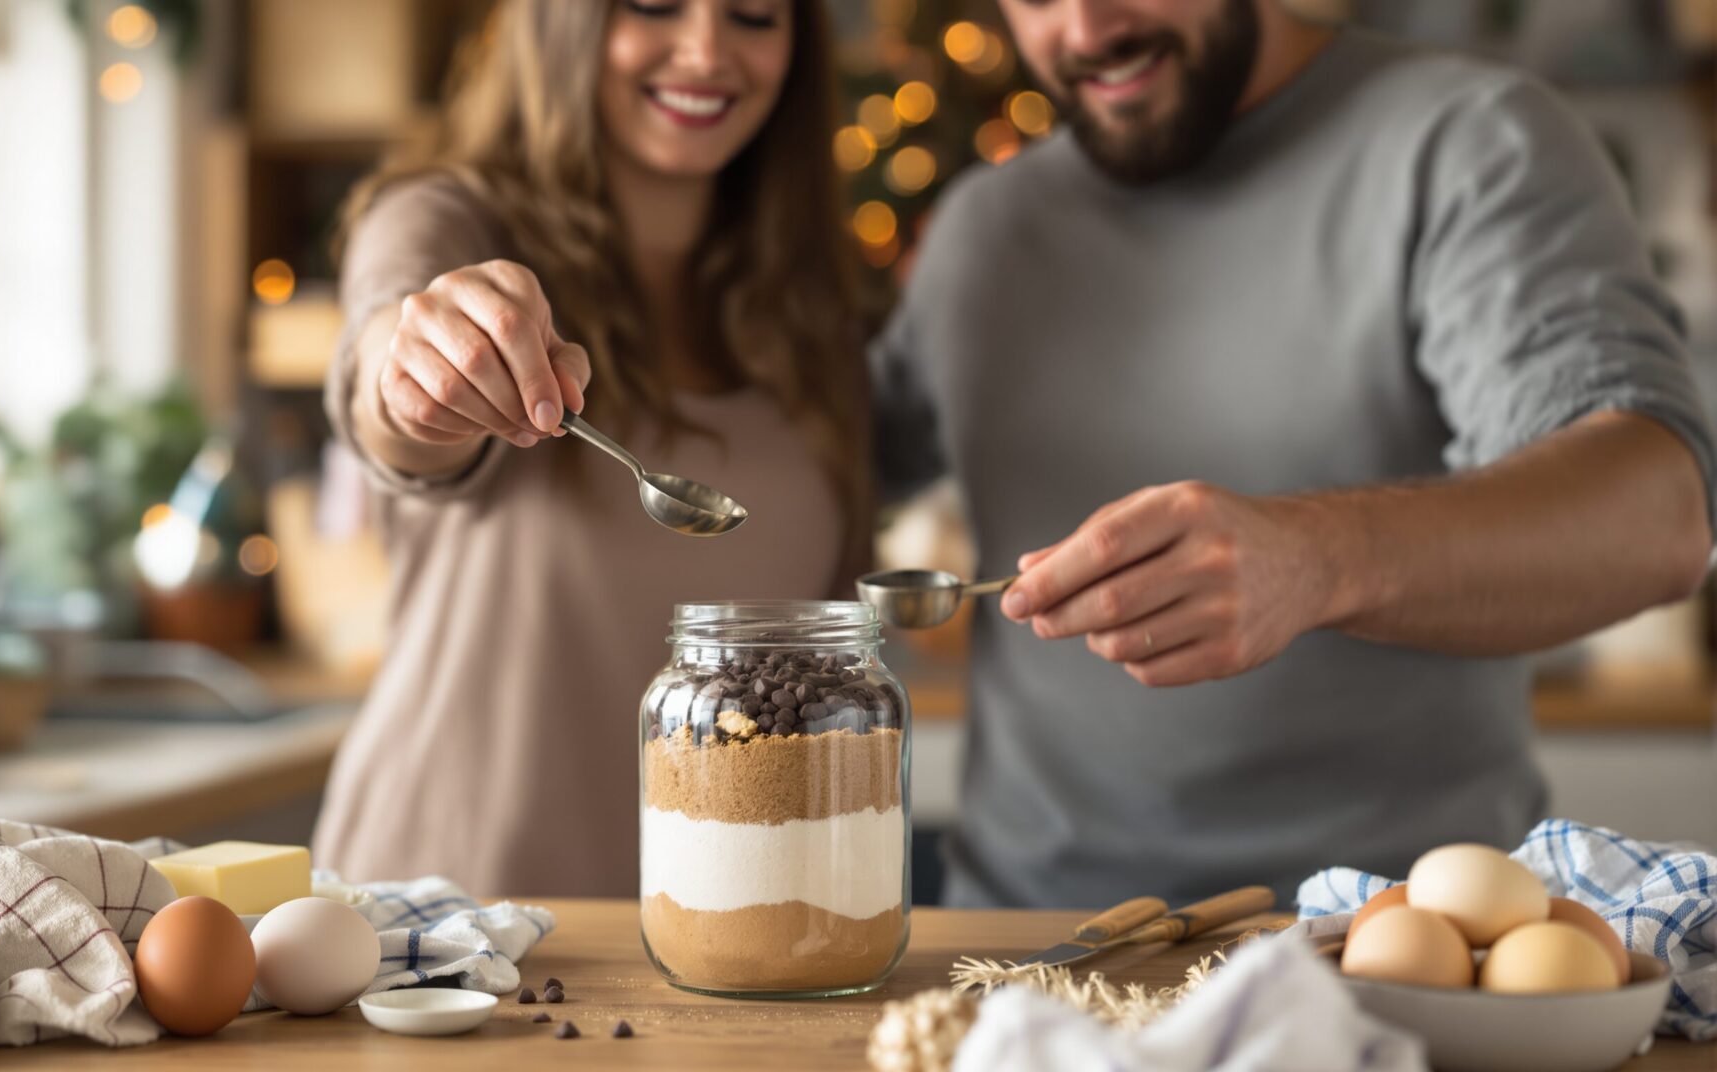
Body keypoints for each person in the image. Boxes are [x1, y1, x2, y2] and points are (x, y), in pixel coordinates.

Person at [873, 0, 1717, 908]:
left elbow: (1657, 517)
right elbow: (808, 472)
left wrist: (1318, 561)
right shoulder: (983, 225)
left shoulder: (1466, 144)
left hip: (1387, 961)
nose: (1084, 31)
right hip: (1018, 962)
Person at [314, 0, 869, 896]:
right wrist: (421, 373)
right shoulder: (446, 222)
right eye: (652, 5)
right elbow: (388, 370)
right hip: (449, 920)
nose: (705, 51)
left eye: (755, 14)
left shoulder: (809, 310)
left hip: (731, 921)